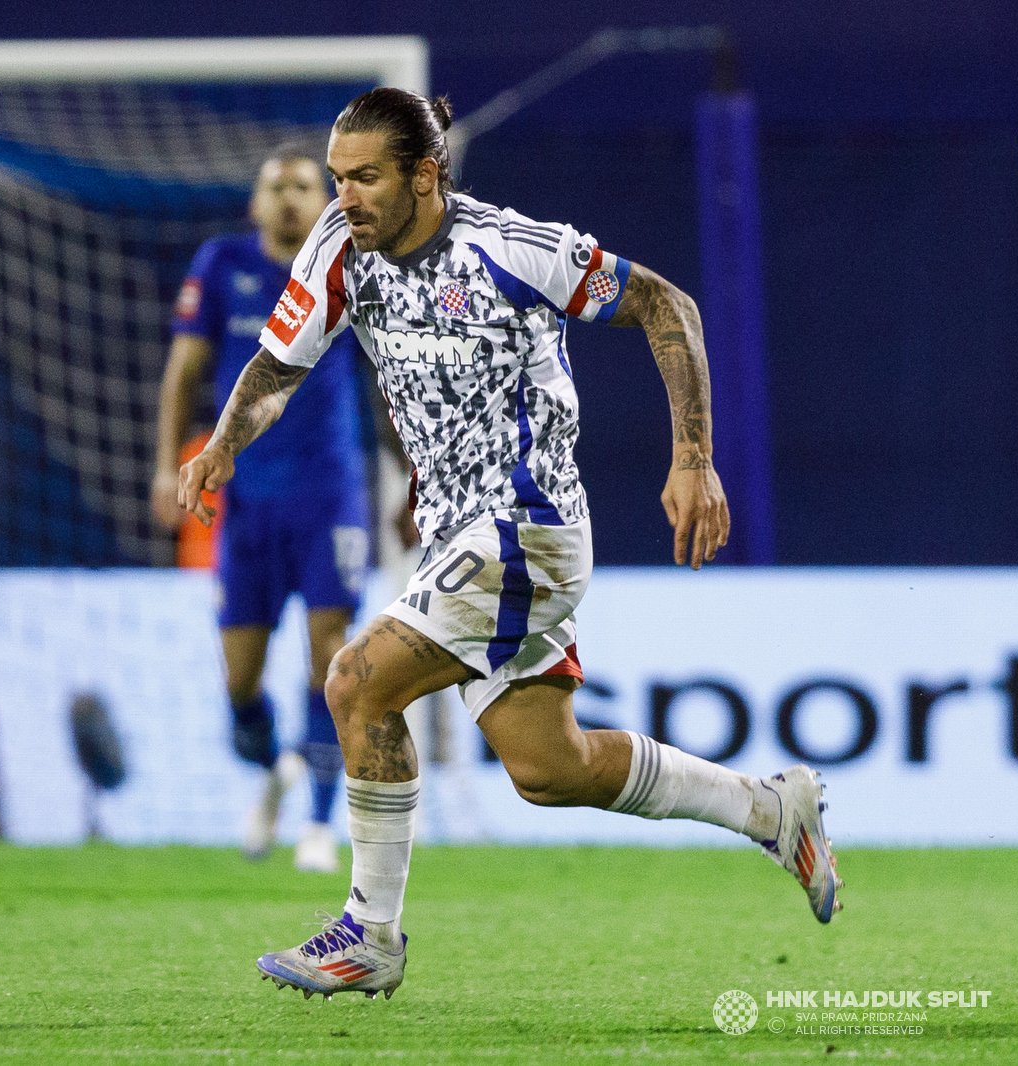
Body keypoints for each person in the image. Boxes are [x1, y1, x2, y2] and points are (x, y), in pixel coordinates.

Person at [178, 89, 841, 1001]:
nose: (346, 197)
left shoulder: (512, 248)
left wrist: (695, 458)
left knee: (354, 681)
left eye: (365, 177)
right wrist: (221, 444)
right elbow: (276, 366)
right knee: (548, 768)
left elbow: (666, 305)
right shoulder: (339, 246)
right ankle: (770, 809)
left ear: (425, 173)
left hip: (527, 529)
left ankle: (369, 932)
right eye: (339, 177)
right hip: (461, 535)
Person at [152, 144, 376, 873]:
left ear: (326, 202)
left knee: (329, 655)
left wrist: (406, 481)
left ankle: (317, 819)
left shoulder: (351, 268)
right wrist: (166, 468)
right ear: (255, 204)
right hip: (245, 499)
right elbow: (185, 369)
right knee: (240, 683)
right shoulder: (222, 265)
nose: (289, 198)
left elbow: (386, 380)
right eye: (276, 186)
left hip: (330, 494)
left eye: (304, 186)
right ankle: (276, 773)